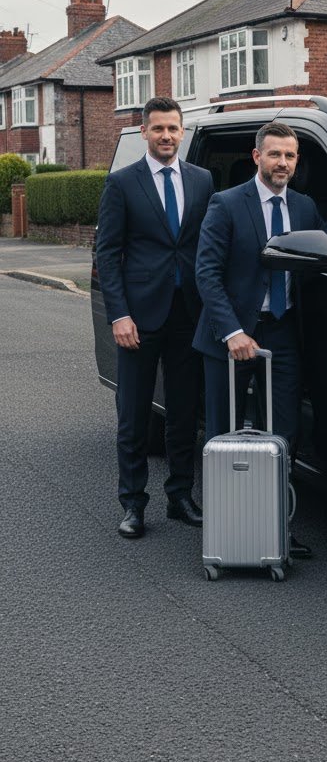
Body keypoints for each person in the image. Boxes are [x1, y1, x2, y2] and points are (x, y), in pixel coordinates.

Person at [192, 121, 327, 559]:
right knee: (223, 434)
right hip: (231, 335)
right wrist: (233, 331)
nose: (283, 163)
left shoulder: (306, 208)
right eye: (275, 155)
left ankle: (275, 529)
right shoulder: (227, 203)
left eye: (290, 156)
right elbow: (207, 274)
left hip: (282, 332)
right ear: (257, 157)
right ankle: (226, 532)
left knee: (284, 433)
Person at [96, 96, 214, 539]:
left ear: (182, 133)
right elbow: (107, 254)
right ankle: (132, 503)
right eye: (159, 128)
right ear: (144, 132)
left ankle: (181, 496)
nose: (167, 135)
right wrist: (119, 315)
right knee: (133, 413)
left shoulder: (203, 181)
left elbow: (208, 244)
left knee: (184, 412)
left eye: (173, 129)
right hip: (139, 318)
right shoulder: (123, 183)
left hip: (189, 315)